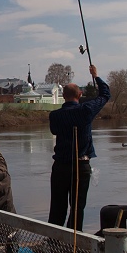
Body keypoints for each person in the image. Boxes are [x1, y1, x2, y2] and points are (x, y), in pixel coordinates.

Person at [48, 65, 110, 231]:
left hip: (60, 166)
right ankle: (74, 240)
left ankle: (54, 240)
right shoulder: (86, 110)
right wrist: (96, 76)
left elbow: (54, 130)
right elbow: (105, 94)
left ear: (63, 96)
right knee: (77, 206)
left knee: (57, 206)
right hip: (80, 164)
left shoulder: (54, 116)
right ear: (80, 95)